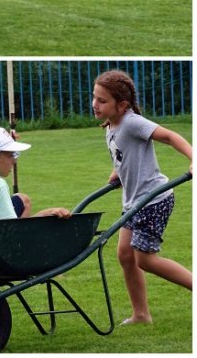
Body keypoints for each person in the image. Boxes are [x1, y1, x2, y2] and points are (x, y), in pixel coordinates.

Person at [92, 70, 192, 325]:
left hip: (153, 200)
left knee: (145, 260)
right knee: (125, 255)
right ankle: (141, 314)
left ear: (122, 105)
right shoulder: (111, 125)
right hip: (133, 203)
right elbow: (124, 152)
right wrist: (117, 171)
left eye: (102, 100)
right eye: (94, 97)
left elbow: (169, 136)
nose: (95, 104)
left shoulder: (132, 122)